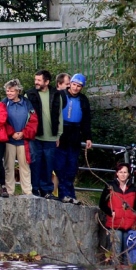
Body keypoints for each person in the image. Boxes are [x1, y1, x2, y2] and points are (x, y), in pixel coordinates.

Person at [24, 70, 64, 200]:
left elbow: (60, 116)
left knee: (48, 165)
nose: (36, 82)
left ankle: (47, 191)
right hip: (34, 137)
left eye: (39, 80)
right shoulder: (29, 95)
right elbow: (26, 116)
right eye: (35, 80)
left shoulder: (56, 95)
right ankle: (35, 189)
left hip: (51, 137)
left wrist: (58, 135)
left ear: (47, 82)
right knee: (35, 164)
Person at [54, 74, 92, 205]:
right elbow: (54, 115)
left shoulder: (83, 99)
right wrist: (55, 135)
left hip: (75, 134)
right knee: (59, 166)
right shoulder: (61, 95)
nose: (76, 88)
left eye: (79, 86)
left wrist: (88, 137)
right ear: (70, 83)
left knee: (71, 166)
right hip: (62, 131)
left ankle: (71, 194)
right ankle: (63, 194)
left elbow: (86, 119)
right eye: (74, 84)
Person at [1, 79, 38, 196]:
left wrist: (23, 133)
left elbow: (33, 120)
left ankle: (27, 191)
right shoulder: (4, 103)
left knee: (25, 166)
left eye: (11, 91)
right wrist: (11, 132)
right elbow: (2, 120)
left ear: (18, 91)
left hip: (24, 140)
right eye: (7, 91)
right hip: (9, 140)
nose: (9, 93)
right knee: (8, 166)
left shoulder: (27, 103)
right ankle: (9, 191)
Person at [99, 163, 136, 264]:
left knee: (128, 254)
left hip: (129, 225)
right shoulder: (110, 186)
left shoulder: (132, 188)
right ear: (116, 173)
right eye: (120, 172)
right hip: (114, 225)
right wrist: (111, 212)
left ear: (128, 174)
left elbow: (135, 207)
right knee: (115, 253)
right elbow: (102, 204)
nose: (122, 174)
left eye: (125, 172)